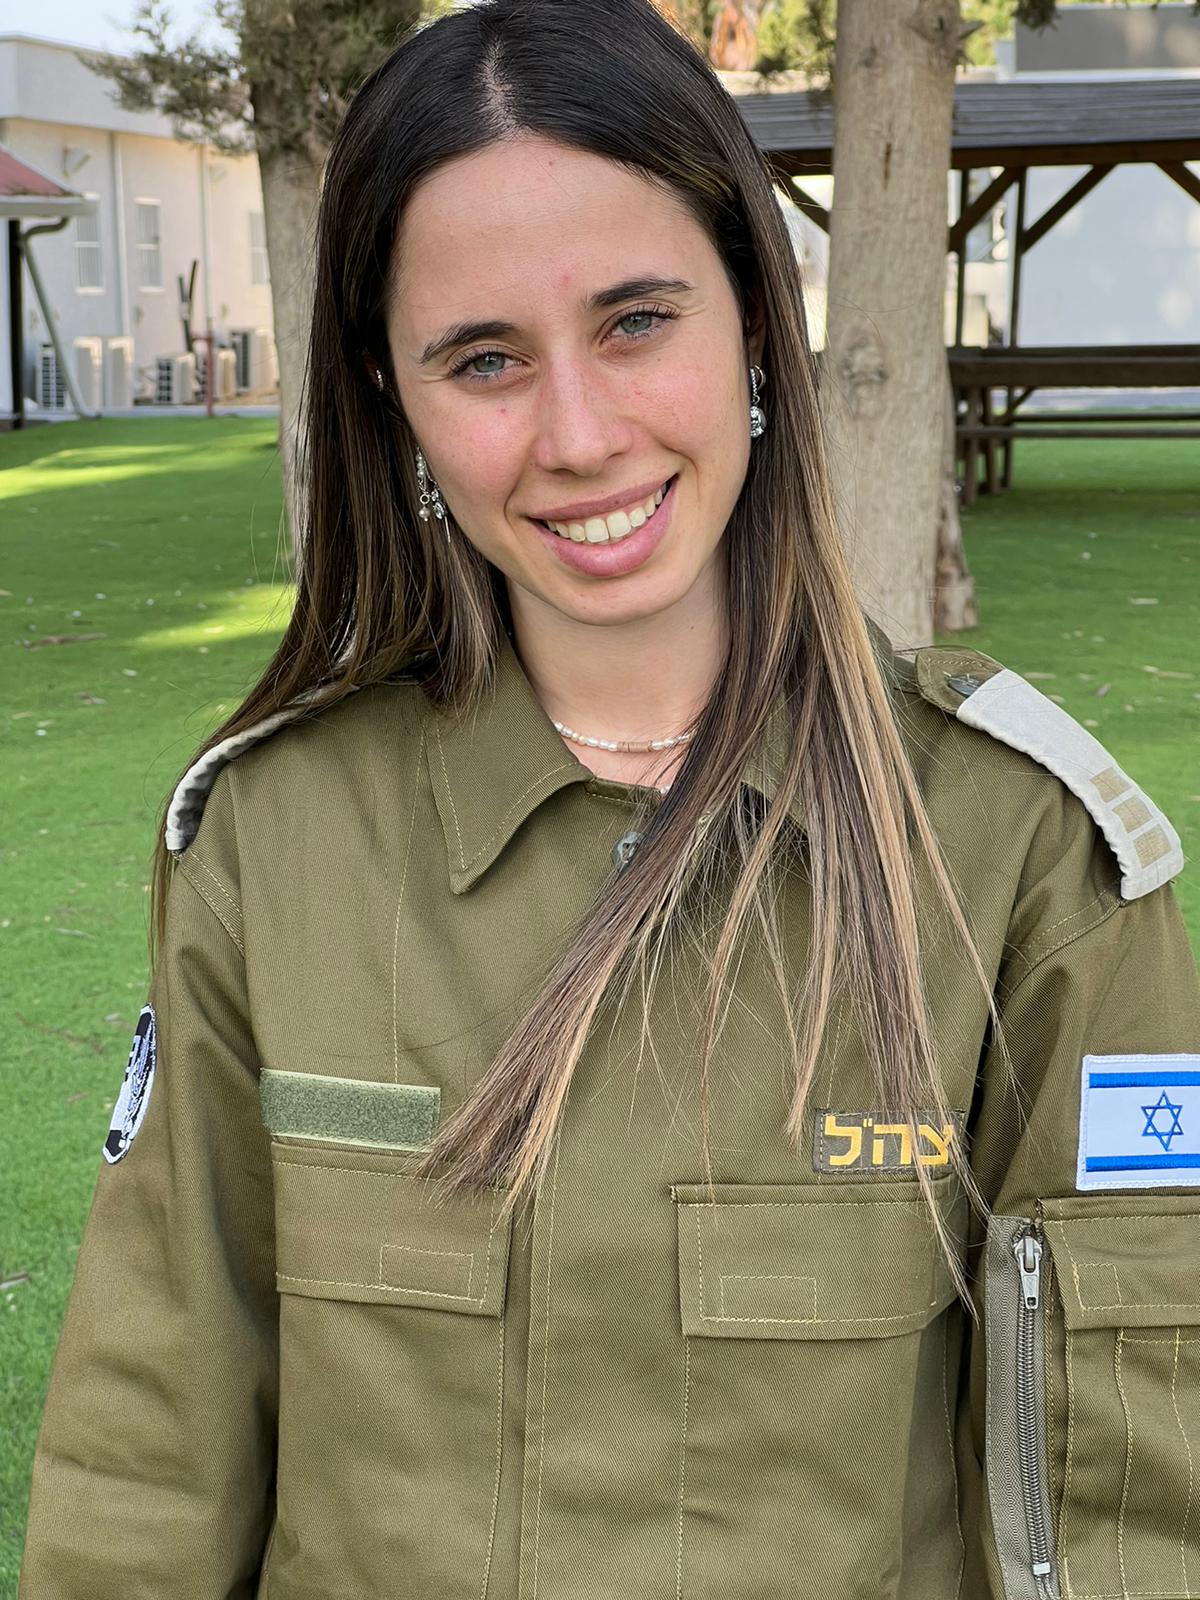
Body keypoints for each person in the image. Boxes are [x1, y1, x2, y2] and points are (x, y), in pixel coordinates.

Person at [18, 1, 1200, 1596]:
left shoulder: (1026, 857)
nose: (577, 437)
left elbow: (1127, 1498)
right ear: (393, 399)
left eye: (636, 322)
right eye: (484, 360)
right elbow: (149, 1459)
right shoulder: (273, 845)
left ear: (758, 323)